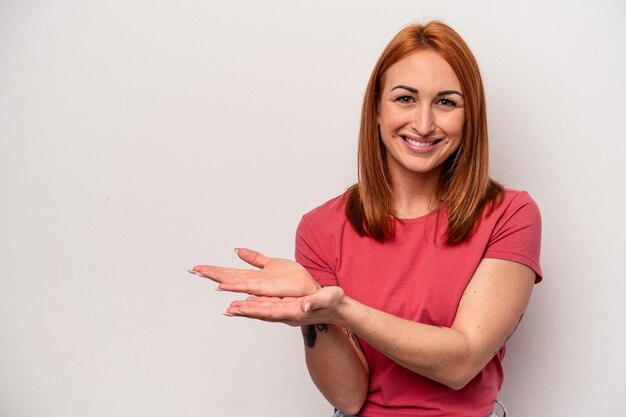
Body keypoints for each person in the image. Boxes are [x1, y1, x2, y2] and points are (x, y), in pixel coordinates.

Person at [189, 21, 542, 417]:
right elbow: (349, 397)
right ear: (377, 108)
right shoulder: (320, 228)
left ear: (469, 115)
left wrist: (345, 311)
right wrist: (312, 308)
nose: (424, 124)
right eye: (405, 98)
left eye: (446, 102)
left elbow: (461, 364)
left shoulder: (510, 214)